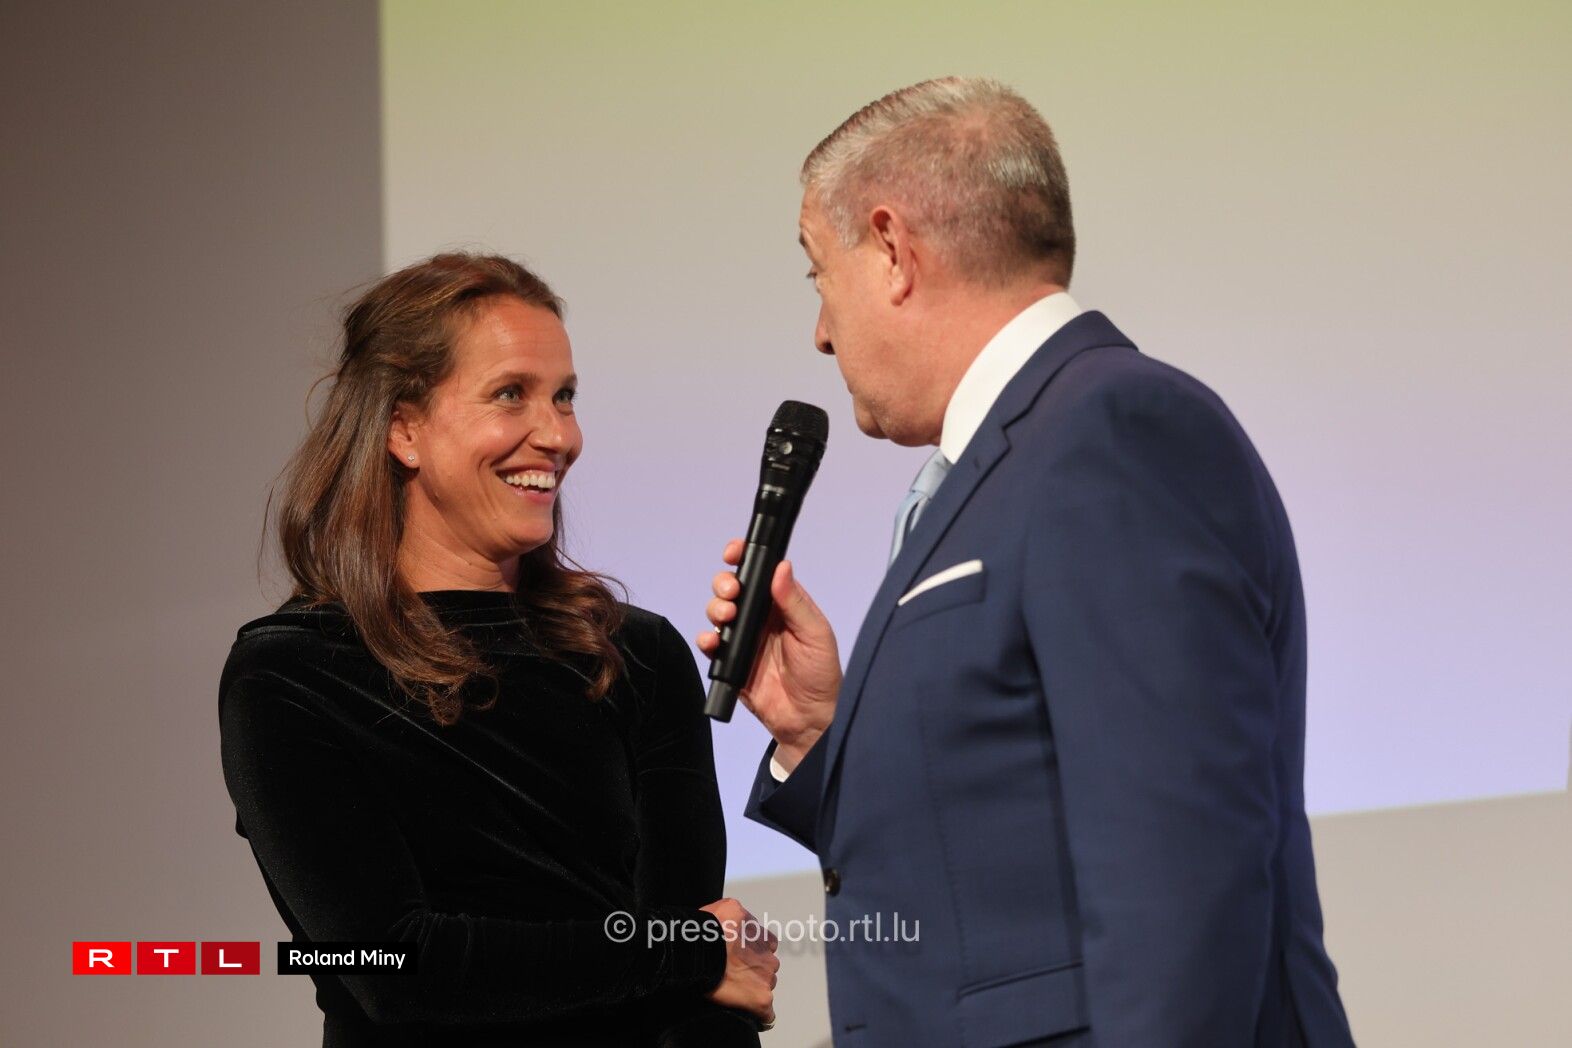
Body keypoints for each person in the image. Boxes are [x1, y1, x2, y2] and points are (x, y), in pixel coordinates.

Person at [699, 78, 1356, 1045]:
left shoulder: (1114, 430)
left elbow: (1178, 878)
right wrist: (820, 734)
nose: (822, 332)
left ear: (892, 250)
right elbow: (998, 847)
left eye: (818, 275)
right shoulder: (1021, 455)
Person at [219, 252, 776, 1047]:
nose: (558, 436)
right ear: (404, 428)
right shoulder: (295, 674)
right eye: (511, 394)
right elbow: (394, 968)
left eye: (564, 397)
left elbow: (692, 973)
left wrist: (687, 960)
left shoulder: (637, 653)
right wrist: (683, 956)